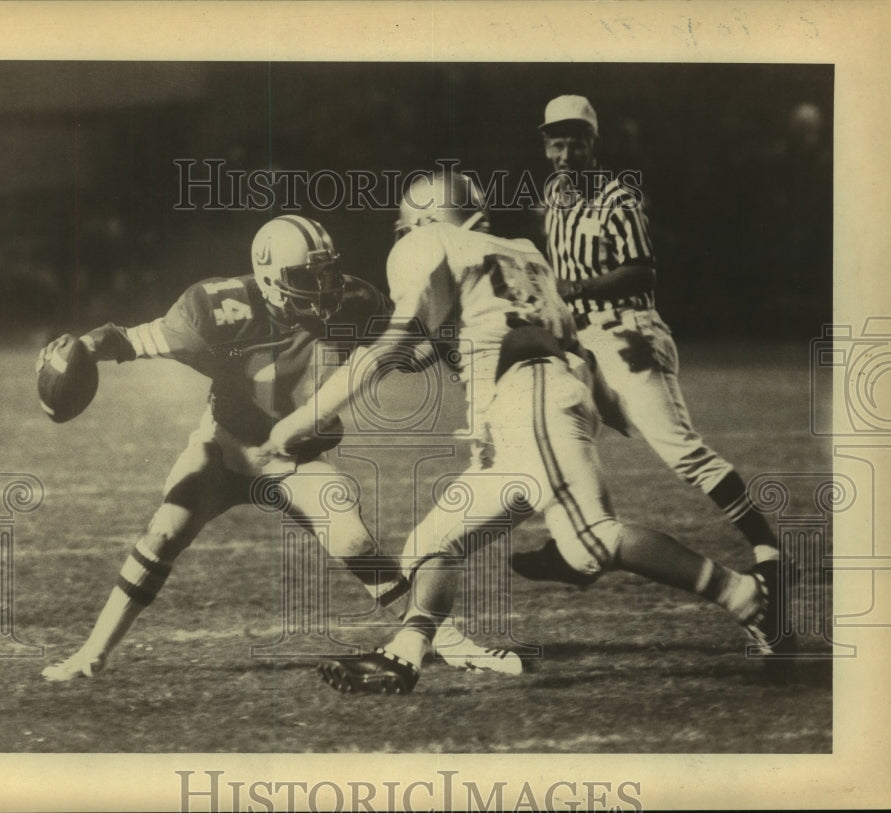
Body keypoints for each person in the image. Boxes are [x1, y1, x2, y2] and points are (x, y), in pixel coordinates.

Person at [264, 173, 784, 695]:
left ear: (424, 221)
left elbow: (389, 350)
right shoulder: (522, 253)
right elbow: (517, 336)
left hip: (529, 400)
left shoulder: (429, 243)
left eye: (407, 228)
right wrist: (605, 406)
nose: (402, 238)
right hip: (524, 412)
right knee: (429, 547)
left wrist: (297, 422)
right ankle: (403, 657)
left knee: (591, 538)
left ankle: (746, 597)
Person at [40, 214, 521, 681]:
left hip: (297, 459)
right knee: (164, 532)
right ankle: (91, 655)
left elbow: (406, 351)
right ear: (269, 277)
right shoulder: (217, 306)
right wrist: (81, 346)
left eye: (326, 271)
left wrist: (453, 331)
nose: (324, 284)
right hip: (226, 448)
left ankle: (451, 644)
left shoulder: (354, 298)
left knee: (353, 539)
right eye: (307, 276)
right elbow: (131, 340)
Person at [519, 95, 789, 627]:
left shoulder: (618, 198)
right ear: (546, 145)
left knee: (682, 452)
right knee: (554, 434)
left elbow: (642, 271)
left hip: (626, 333)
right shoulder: (552, 194)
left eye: (576, 140)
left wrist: (572, 289)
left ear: (593, 145)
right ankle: (575, 552)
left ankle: (769, 553)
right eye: (557, 140)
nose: (566, 150)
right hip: (582, 343)